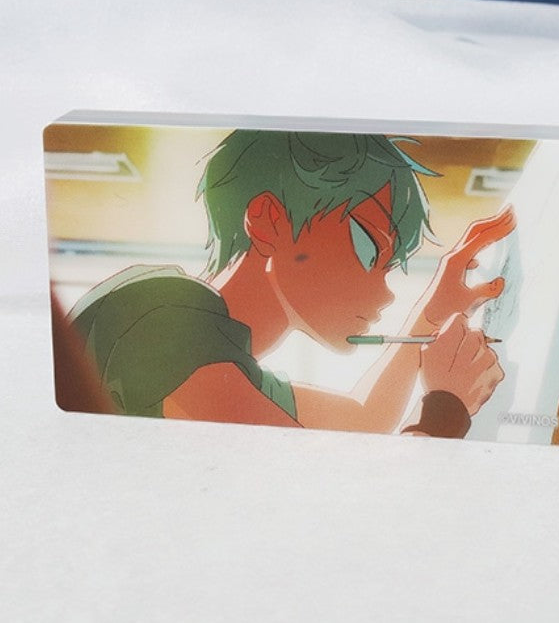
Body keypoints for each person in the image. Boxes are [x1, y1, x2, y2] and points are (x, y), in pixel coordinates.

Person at [64, 130, 515, 437]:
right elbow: (347, 500)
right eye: (366, 248)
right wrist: (445, 409)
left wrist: (432, 314)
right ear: (268, 221)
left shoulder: (224, 363)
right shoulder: (160, 319)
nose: (384, 293)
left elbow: (365, 420)